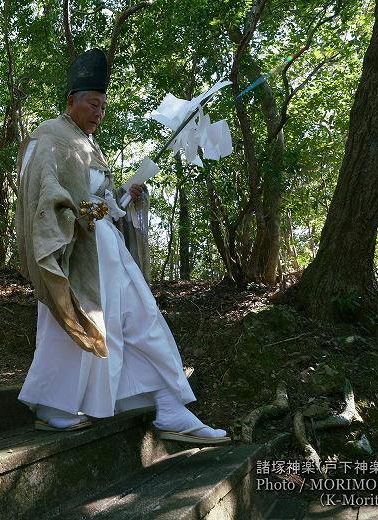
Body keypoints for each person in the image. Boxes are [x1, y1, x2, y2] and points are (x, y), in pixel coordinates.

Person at [15, 49, 229, 444]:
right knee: (73, 324)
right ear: (72, 101)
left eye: (103, 106)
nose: (99, 113)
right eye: (93, 104)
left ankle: (168, 406)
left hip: (107, 249)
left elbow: (104, 201)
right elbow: (38, 195)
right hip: (76, 253)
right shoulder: (49, 136)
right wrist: (77, 212)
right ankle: (52, 407)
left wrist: (127, 197)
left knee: (138, 320)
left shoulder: (90, 145)